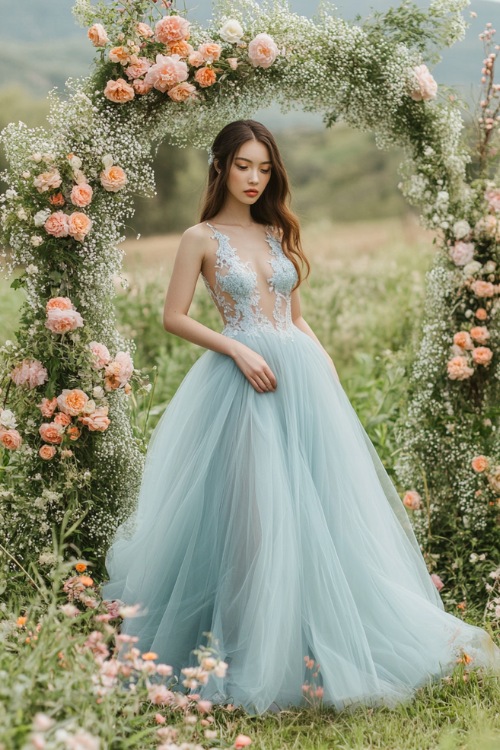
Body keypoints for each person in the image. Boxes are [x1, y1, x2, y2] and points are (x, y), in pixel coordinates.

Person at [102, 119, 500, 715]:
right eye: (244, 166)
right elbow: (173, 316)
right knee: (254, 520)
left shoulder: (276, 231)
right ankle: (244, 653)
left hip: (302, 381)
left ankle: (319, 645)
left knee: (320, 513)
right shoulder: (200, 237)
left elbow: (295, 314)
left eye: (264, 167)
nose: (255, 178)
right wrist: (236, 347)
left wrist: (325, 368)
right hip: (239, 384)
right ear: (222, 168)